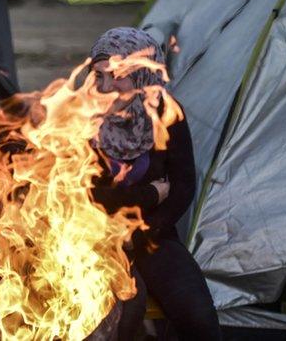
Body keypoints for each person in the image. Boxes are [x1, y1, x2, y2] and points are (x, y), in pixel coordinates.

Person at [87, 27, 221, 340]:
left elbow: (183, 185)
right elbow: (95, 197)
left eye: (117, 75)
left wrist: (148, 229)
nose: (106, 87)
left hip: (153, 235)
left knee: (198, 316)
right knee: (123, 314)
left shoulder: (166, 112)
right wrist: (150, 194)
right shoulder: (80, 118)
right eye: (99, 76)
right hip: (94, 240)